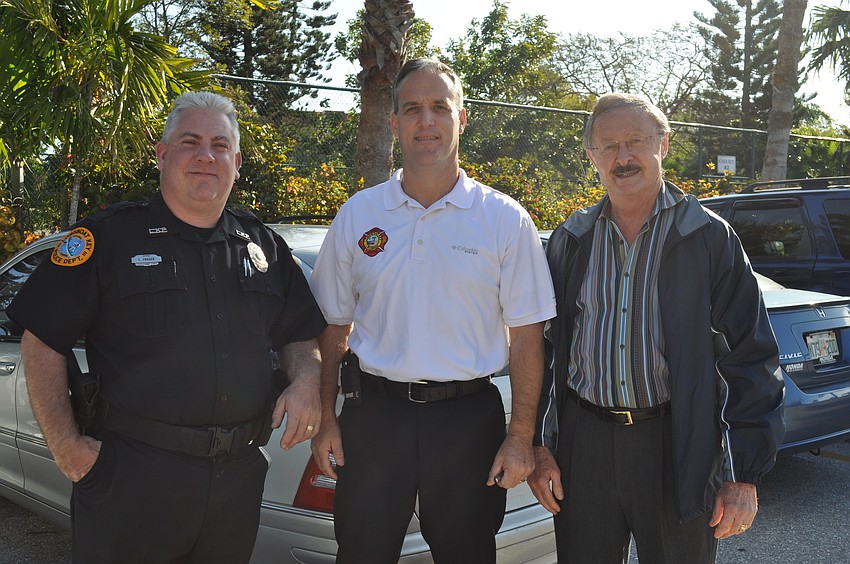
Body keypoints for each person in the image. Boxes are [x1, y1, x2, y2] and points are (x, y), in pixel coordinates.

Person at [7, 91, 327, 563]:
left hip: (235, 480)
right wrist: (68, 448)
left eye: (220, 145)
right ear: (162, 154)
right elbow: (41, 339)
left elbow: (299, 333)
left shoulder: (264, 247)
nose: (206, 156)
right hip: (131, 478)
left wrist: (306, 380)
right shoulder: (108, 239)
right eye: (189, 141)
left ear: (236, 162)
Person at [308, 57, 557, 563]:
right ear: (394, 122)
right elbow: (333, 325)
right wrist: (327, 420)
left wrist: (520, 438)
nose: (427, 121)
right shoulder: (359, 214)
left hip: (468, 422)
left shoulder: (504, 220)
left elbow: (528, 337)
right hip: (373, 418)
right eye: (412, 109)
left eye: (440, 107)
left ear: (461, 118)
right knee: (360, 553)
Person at [528, 93, 786, 563]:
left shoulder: (707, 237)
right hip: (584, 447)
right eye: (608, 146)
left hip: (677, 445)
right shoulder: (571, 240)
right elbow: (546, 354)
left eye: (635, 142)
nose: (622, 157)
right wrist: (541, 448)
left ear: (662, 144)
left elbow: (750, 356)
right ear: (591, 156)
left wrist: (742, 473)